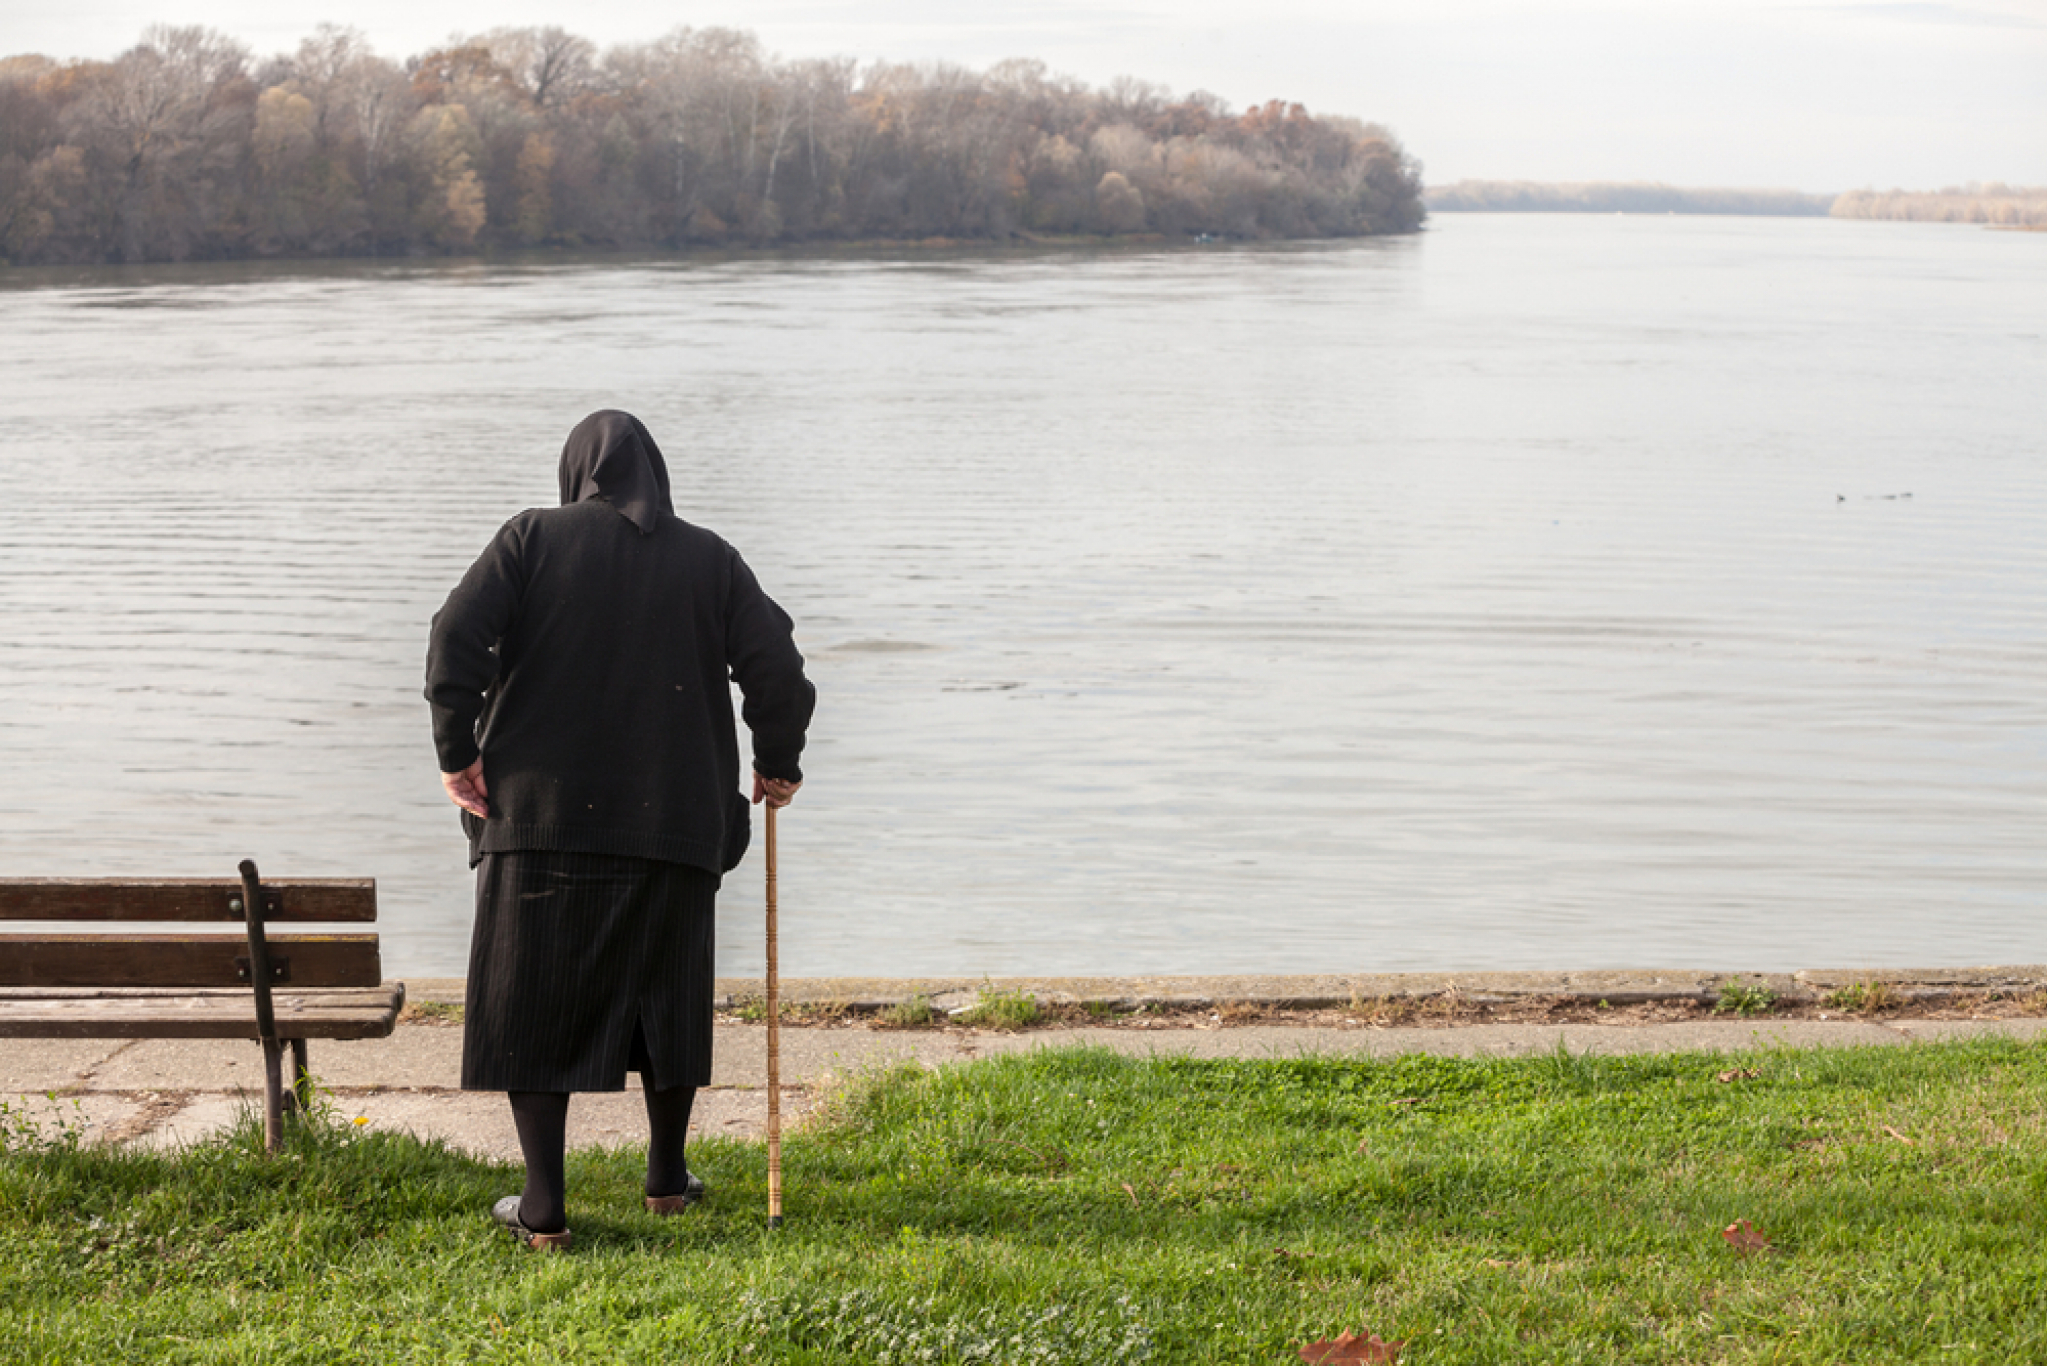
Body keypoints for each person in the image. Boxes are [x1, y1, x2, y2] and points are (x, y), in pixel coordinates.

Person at [425, 409, 814, 1251]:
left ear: (577, 475)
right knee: (667, 1004)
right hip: (673, 822)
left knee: (531, 1012)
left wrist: (457, 752)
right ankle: (666, 1181)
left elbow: (454, 635)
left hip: (537, 821)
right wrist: (775, 762)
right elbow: (777, 667)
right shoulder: (709, 559)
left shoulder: (530, 538)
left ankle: (544, 1209)